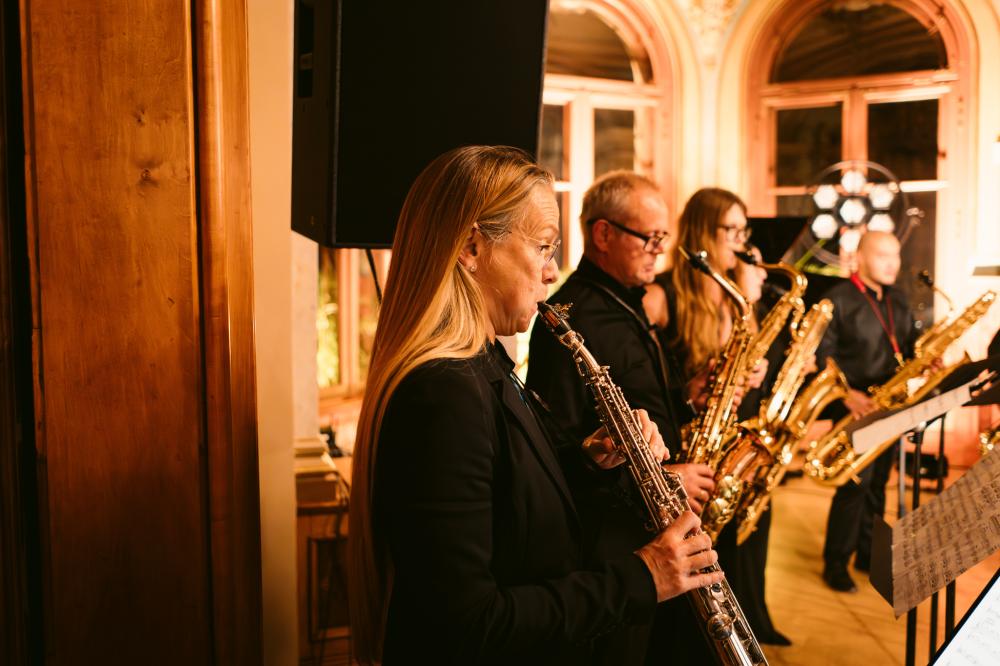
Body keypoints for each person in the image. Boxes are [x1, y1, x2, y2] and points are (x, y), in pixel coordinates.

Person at [347, 146, 723, 666]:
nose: (551, 273)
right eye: (544, 247)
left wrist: (591, 459)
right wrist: (643, 577)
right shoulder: (442, 392)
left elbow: (508, 502)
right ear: (472, 247)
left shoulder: (484, 362)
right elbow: (467, 624)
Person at [526, 172, 720, 665]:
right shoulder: (568, 318)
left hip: (662, 534)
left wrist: (691, 394)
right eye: (649, 238)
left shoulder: (630, 304)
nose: (660, 250)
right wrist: (665, 477)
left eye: (663, 238)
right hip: (617, 548)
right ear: (604, 234)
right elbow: (560, 451)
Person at [816, 230, 919, 593]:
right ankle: (835, 564)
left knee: (877, 486)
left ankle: (867, 554)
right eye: (882, 255)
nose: (893, 263)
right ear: (859, 258)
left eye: (896, 255)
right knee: (854, 487)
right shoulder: (837, 299)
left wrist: (926, 360)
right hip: (855, 410)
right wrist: (848, 396)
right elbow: (821, 357)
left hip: (890, 406)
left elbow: (910, 349)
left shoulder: (899, 300)